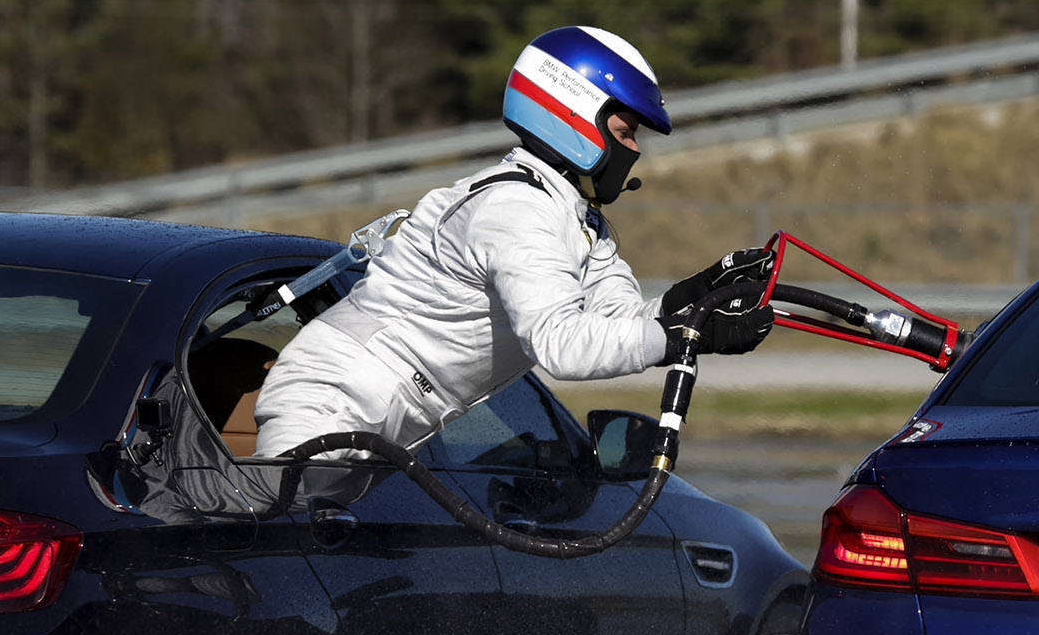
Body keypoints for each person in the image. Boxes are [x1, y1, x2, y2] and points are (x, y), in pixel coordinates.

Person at [252, 25, 772, 465]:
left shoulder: (576, 217)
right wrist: (689, 336)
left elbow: (617, 322)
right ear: (574, 113)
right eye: (626, 130)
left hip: (380, 419)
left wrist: (695, 300)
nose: (634, 149)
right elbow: (563, 345)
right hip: (329, 403)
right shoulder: (517, 211)